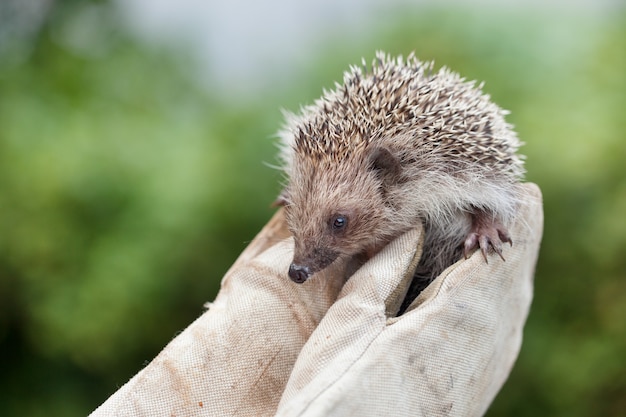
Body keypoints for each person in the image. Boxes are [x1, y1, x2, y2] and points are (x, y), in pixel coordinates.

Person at [90, 184, 542, 417]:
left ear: (389, 174)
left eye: (339, 222)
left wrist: (485, 221)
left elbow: (492, 193)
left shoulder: (442, 174)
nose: (301, 263)